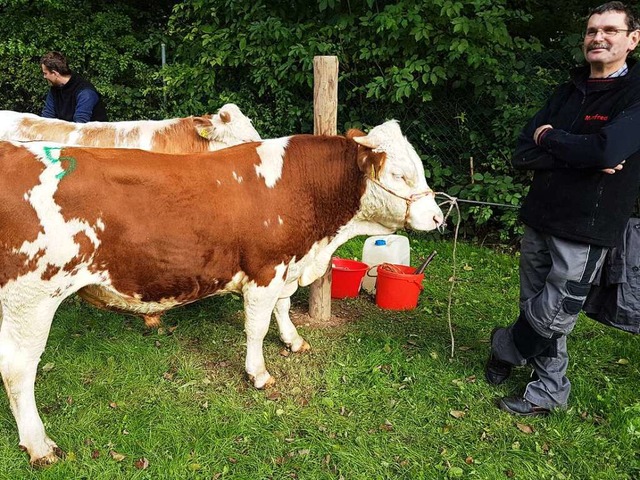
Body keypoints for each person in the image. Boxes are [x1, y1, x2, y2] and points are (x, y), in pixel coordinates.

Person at [485, 1, 640, 416]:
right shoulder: (567, 91)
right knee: (534, 300)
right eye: (591, 31)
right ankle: (549, 386)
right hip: (540, 216)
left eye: (609, 30)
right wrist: (583, 155)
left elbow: (609, 148)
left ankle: (507, 349)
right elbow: (522, 152)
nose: (598, 38)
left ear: (632, 40)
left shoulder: (635, 94)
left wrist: (550, 139)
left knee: (556, 310)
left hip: (586, 226)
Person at [40, 51, 107, 123]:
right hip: (67, 131)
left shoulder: (85, 92)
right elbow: (47, 118)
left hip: (91, 132)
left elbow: (80, 124)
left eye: (45, 73)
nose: (44, 77)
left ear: (55, 73)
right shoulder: (55, 89)